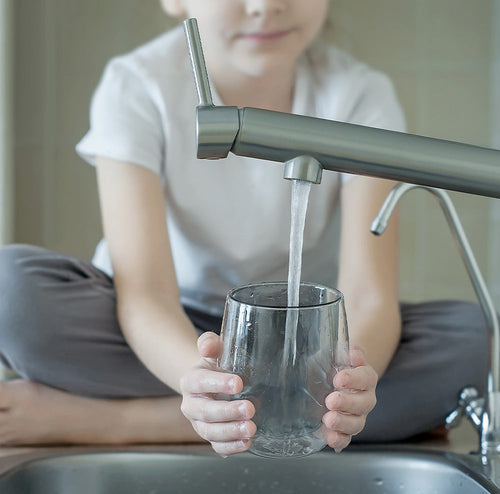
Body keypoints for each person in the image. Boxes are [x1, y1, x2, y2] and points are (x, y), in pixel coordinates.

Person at [0, 0, 488, 454]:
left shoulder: (360, 94)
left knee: (468, 341)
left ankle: (119, 421)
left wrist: (349, 384)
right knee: (12, 291)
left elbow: (368, 294)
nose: (264, 6)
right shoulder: (137, 84)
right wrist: (195, 377)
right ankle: (274, 416)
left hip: (298, 340)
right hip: (169, 326)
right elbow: (145, 294)